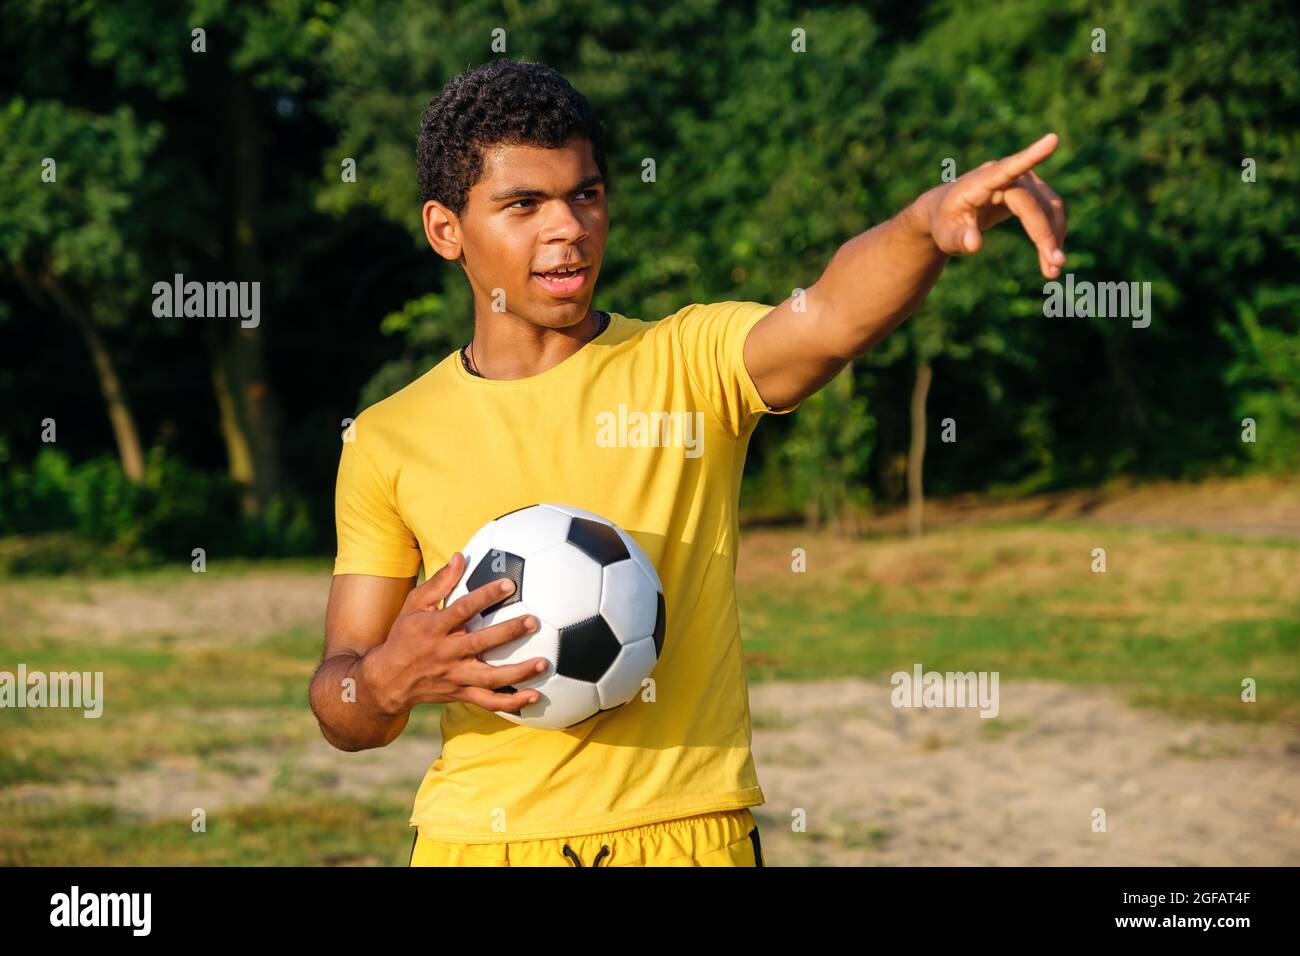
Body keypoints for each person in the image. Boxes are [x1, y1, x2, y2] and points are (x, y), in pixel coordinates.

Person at [308, 59, 1066, 867]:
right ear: (445, 229)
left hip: (687, 836)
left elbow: (833, 315)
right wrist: (390, 677)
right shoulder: (390, 436)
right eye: (523, 205)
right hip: (475, 844)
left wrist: (923, 226)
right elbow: (343, 704)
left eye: (586, 195)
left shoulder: (686, 362)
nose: (568, 227)